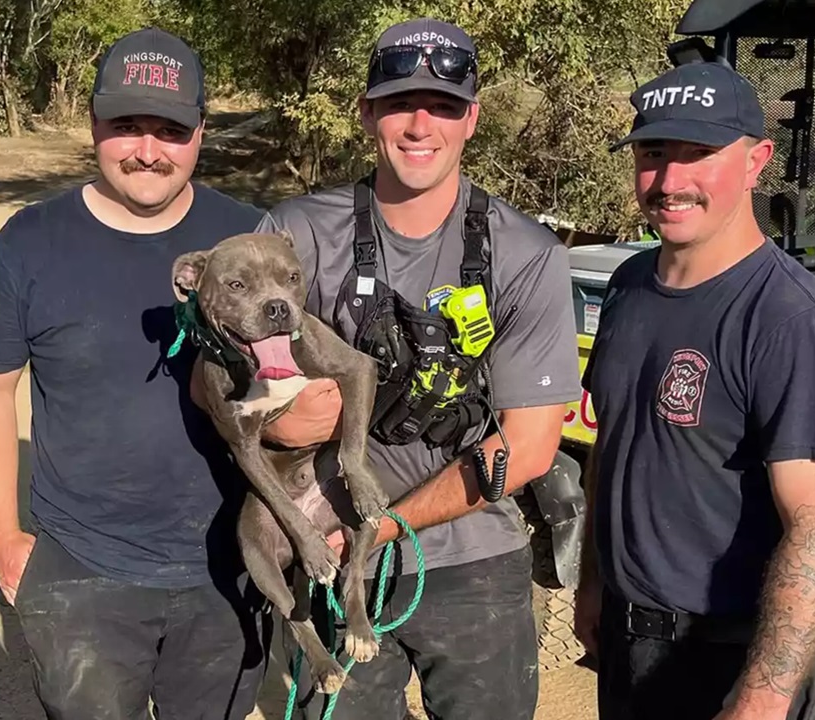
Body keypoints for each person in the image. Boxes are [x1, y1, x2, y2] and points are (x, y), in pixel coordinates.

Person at [249, 17, 581, 719]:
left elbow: (526, 449)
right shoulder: (297, 235)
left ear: (472, 120)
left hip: (472, 560)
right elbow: (220, 380)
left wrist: (384, 527)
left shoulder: (527, 254)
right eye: (400, 102)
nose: (420, 124)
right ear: (368, 111)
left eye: (444, 105)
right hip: (329, 560)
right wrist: (280, 424)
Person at [0, 26, 269, 720]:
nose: (148, 150)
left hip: (227, 562)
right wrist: (3, 535)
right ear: (94, 123)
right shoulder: (29, 242)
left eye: (170, 129)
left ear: (200, 133)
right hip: (83, 567)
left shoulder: (247, 237)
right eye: (127, 126)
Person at [575, 58, 815, 720]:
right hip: (630, 639)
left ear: (755, 160)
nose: (670, 180)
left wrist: (762, 697)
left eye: (699, 153)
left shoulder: (796, 323)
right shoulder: (627, 287)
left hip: (733, 655)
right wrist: (595, 581)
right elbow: (614, 446)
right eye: (653, 153)